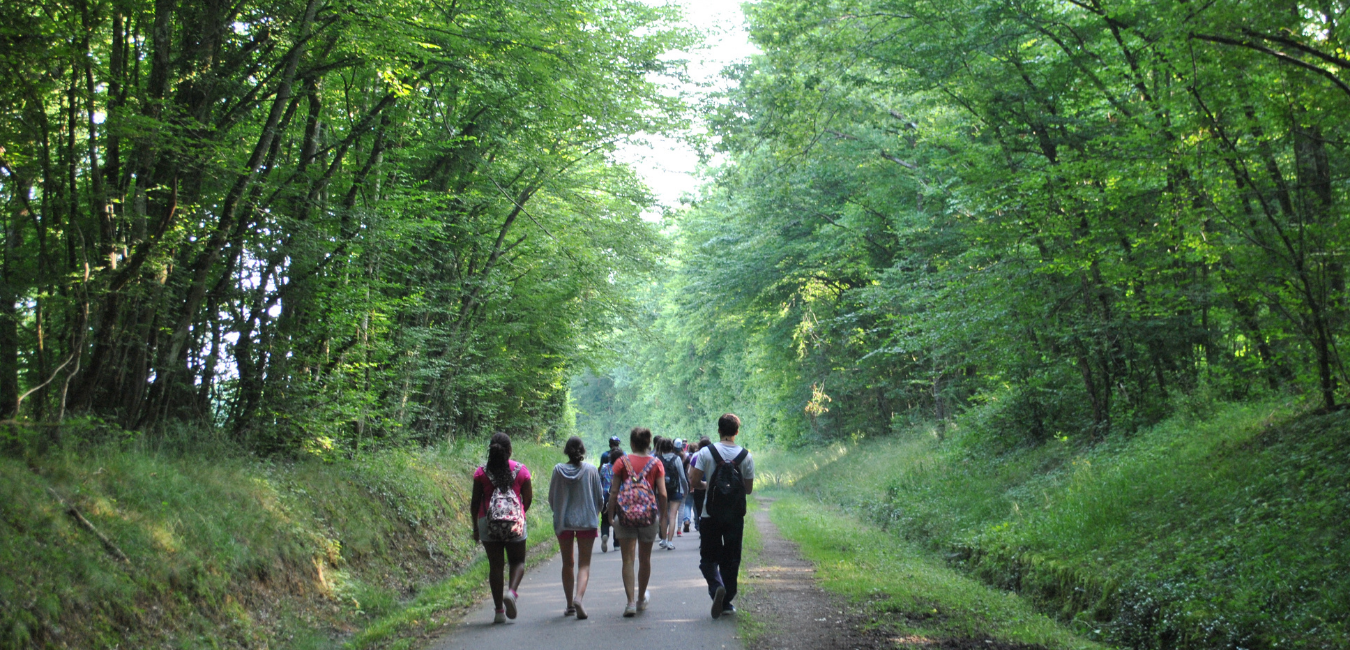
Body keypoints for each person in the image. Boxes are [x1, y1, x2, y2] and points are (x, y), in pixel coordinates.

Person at [688, 414, 754, 620]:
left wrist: (707, 486)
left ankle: (716, 586)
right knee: (731, 558)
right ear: (736, 432)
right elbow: (748, 489)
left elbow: (694, 481)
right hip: (735, 516)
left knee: (708, 558)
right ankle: (726, 603)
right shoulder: (746, 456)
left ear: (718, 430)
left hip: (710, 514)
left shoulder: (706, 453)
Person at [470, 432, 533, 624]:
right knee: (518, 562)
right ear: (510, 450)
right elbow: (528, 499)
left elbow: (474, 504)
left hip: (488, 524)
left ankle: (499, 611)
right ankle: (512, 593)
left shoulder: (481, 473)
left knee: (496, 566)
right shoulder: (521, 471)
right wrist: (519, 514)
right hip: (515, 522)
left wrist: (475, 527)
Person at [606, 427, 666, 617]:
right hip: (648, 517)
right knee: (645, 559)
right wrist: (663, 516)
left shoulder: (621, 462)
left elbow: (614, 491)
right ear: (649, 444)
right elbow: (663, 493)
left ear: (631, 443)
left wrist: (610, 514)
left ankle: (630, 602)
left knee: (628, 559)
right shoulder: (656, 463)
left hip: (625, 517)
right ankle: (641, 599)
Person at [548, 436, 605, 620]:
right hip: (587, 521)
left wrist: (558, 512)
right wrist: (596, 512)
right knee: (584, 564)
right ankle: (579, 598)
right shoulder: (590, 470)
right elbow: (599, 498)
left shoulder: (558, 470)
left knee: (567, 563)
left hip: (564, 522)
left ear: (566, 451)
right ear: (583, 451)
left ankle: (569, 605)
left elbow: (552, 497)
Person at [656, 437, 688, 550]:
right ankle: (670, 541)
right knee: (673, 515)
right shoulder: (677, 459)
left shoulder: (657, 459)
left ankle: (663, 540)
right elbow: (683, 477)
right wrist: (685, 489)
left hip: (661, 491)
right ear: (672, 447)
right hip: (675, 490)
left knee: (663, 516)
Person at [598, 449, 623, 552]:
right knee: (617, 520)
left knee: (605, 520)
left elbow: (599, 481)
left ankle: (604, 534)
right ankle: (616, 544)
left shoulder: (604, 467)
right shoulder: (622, 468)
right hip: (619, 497)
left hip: (606, 497)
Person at [688, 437, 712, 532]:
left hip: (698, 486)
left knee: (699, 510)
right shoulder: (714, 455)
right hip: (711, 486)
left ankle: (701, 528)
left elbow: (690, 474)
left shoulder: (695, 456)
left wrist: (692, 486)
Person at [674, 439, 694, 535]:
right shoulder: (686, 458)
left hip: (672, 484)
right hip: (683, 483)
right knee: (682, 506)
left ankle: (668, 529)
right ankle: (679, 529)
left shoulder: (671, 458)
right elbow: (687, 473)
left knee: (671, 509)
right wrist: (689, 485)